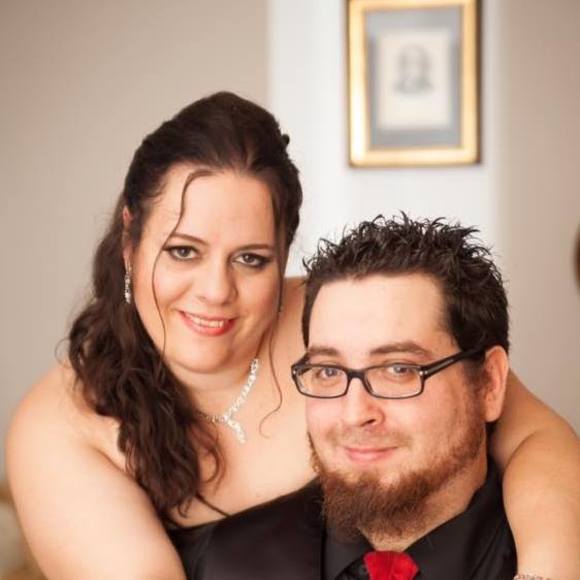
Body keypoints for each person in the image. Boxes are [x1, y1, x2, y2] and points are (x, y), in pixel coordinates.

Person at [5, 93, 579, 580]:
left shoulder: (339, 321)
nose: (215, 291)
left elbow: (534, 436)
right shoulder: (65, 425)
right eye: (183, 251)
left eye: (251, 259)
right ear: (130, 240)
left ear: (284, 255)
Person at [298, 215, 516, 579]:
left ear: (488, 383)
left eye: (399, 369)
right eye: (328, 371)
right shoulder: (223, 563)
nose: (355, 413)